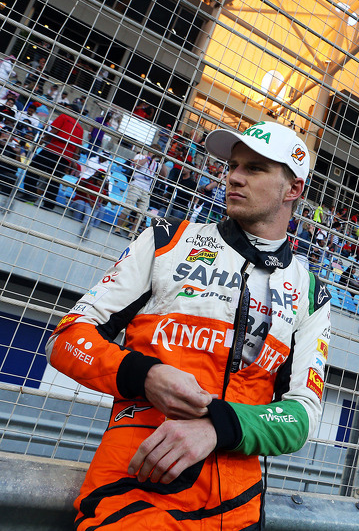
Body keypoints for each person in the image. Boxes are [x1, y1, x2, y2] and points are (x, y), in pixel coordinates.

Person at [46, 121, 331, 529]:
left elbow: (301, 417)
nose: (233, 176)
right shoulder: (166, 241)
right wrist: (144, 375)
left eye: (254, 168)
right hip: (136, 490)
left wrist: (218, 428)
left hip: (238, 510)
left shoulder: (310, 292)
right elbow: (67, 339)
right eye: (233, 165)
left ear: (293, 189)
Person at [22, 101, 84, 208]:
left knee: (33, 168)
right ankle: (49, 204)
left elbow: (54, 131)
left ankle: (30, 193)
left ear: (70, 110)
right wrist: (71, 162)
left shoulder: (64, 117)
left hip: (53, 150)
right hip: (66, 157)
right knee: (54, 179)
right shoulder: (80, 129)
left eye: (67, 108)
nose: (65, 109)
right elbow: (78, 148)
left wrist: (40, 141)